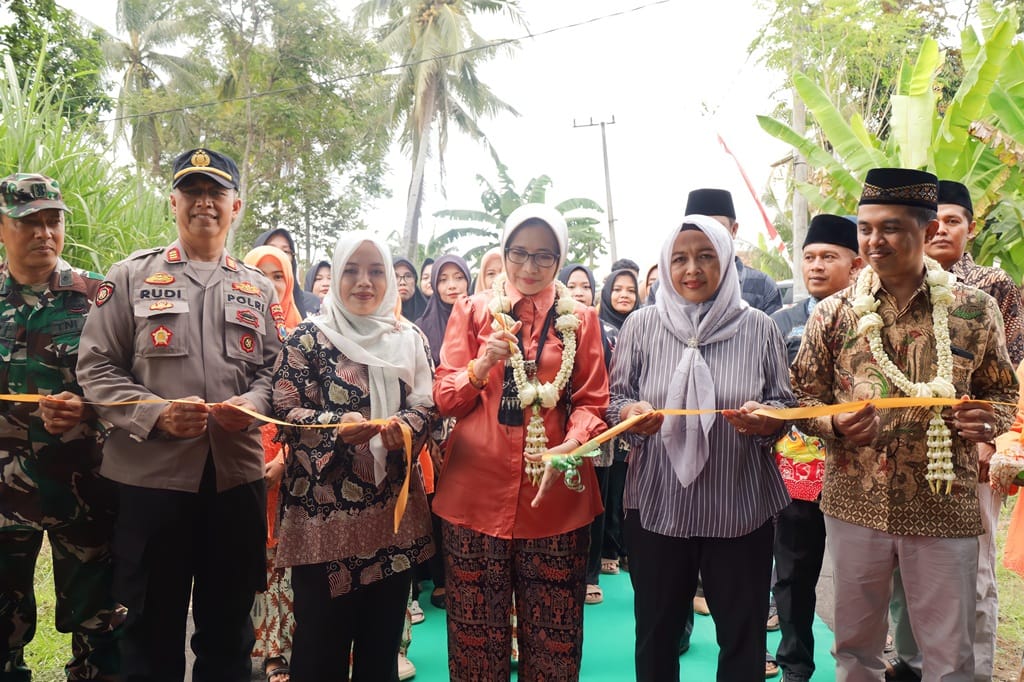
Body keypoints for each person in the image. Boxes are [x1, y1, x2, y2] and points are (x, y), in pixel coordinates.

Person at [790, 168, 1018, 681]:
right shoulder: (833, 314)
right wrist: (834, 424)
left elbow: (1003, 393)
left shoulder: (975, 310)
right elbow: (802, 395)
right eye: (866, 228)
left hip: (944, 502)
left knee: (949, 653)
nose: (874, 241)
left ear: (928, 228)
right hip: (855, 501)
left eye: (890, 227)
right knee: (854, 648)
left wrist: (989, 418)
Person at [77, 148, 282, 682]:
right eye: (193, 192)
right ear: (174, 202)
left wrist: (254, 406)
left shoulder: (257, 289)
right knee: (148, 632)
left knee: (229, 630)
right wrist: (157, 414)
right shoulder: (129, 277)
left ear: (236, 206)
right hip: (151, 483)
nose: (205, 203)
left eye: (216, 192)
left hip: (235, 479)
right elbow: (96, 369)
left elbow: (274, 374)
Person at [607, 214, 794, 681]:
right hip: (658, 505)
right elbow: (616, 398)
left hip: (739, 505)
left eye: (706, 256)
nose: (692, 268)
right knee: (656, 630)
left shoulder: (758, 328)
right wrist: (632, 415)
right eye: (680, 258)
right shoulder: (642, 326)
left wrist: (765, 419)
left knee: (743, 633)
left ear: (726, 260)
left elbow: (783, 403)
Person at [433, 203, 608, 681]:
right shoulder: (471, 312)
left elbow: (593, 402)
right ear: (504, 250)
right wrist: (481, 365)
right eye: (519, 254)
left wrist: (569, 446)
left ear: (560, 259)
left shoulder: (583, 320)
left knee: (554, 643)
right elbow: (445, 398)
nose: (529, 267)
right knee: (475, 645)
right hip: (474, 498)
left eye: (544, 257)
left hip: (555, 501)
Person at [271, 231, 436, 682]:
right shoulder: (308, 338)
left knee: (378, 648)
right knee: (319, 648)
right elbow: (284, 408)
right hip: (322, 518)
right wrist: (335, 426)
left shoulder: (409, 338)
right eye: (352, 270)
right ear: (336, 274)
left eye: (376, 271)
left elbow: (428, 404)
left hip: (391, 519)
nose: (364, 282)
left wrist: (405, 426)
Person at [885, 179, 1024, 682]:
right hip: (897, 466)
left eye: (953, 220)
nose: (941, 228)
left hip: (971, 462)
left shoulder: (991, 288)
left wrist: (992, 439)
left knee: (974, 579)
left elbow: (1011, 376)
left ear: (970, 227)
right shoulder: (887, 283)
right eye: (933, 220)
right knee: (902, 576)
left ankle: (975, 671)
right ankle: (912, 666)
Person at [0, 173, 123, 681]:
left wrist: (89, 407)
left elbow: (130, 384)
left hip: (85, 489)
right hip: (4, 495)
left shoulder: (99, 296)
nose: (44, 233)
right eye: (30, 222)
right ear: (3, 227)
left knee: (100, 629)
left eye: (53, 221)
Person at [770, 214, 862, 682]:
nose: (817, 266)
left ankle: (858, 662)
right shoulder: (780, 322)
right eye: (809, 257)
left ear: (856, 263)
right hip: (795, 469)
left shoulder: (870, 321)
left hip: (857, 469)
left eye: (829, 256)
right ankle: (794, 666)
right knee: (792, 574)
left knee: (858, 578)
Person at [242, 245, 302, 682]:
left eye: (277, 276)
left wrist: (285, 457)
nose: (269, 285)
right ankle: (262, 650)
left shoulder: (306, 334)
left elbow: (314, 409)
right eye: (258, 275)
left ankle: (286, 649)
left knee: (287, 563)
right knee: (251, 561)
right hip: (243, 464)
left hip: (291, 467)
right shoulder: (234, 336)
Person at [593, 268, 641, 600]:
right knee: (609, 490)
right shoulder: (599, 328)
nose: (624, 294)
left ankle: (625, 548)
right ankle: (608, 550)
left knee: (628, 485)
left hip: (641, 416)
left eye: (630, 289)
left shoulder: (645, 326)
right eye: (617, 289)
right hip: (609, 416)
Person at [685, 188, 782, 315]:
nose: (708, 236)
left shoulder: (762, 286)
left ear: (734, 230)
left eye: (716, 228)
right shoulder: (663, 289)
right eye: (699, 228)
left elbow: (774, 333)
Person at [254, 228, 320, 318]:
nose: (278, 254)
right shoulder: (238, 300)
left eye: (285, 251)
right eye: (271, 248)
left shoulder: (310, 303)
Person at [394, 258, 428, 322]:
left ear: (415, 281)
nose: (402, 282)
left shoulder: (428, 313)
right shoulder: (378, 313)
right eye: (396, 276)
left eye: (408, 276)